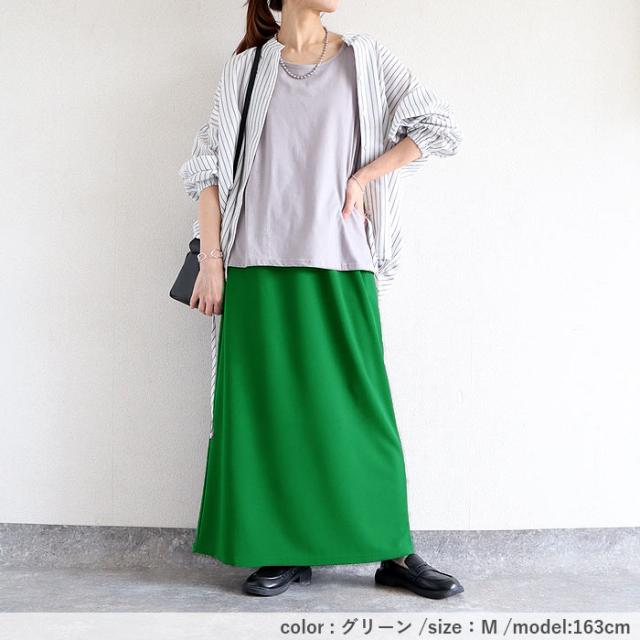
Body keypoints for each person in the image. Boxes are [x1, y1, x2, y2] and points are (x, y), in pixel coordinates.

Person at [178, 0, 464, 599]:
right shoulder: (246, 70)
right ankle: (282, 548)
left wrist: (363, 178)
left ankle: (393, 549)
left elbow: (438, 128)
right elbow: (209, 168)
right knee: (268, 416)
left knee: (361, 410)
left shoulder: (366, 59)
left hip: (341, 258)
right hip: (255, 264)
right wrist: (211, 261)